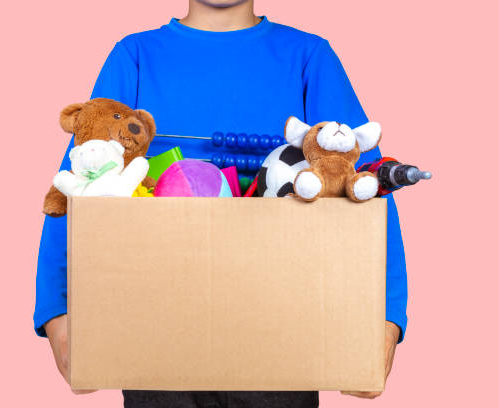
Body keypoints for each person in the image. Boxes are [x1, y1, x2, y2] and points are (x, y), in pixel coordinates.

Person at [35, 0, 407, 406]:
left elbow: (368, 188)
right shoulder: (135, 56)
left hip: (280, 332)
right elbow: (78, 183)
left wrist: (386, 320)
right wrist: (58, 314)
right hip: (155, 329)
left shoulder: (309, 57)